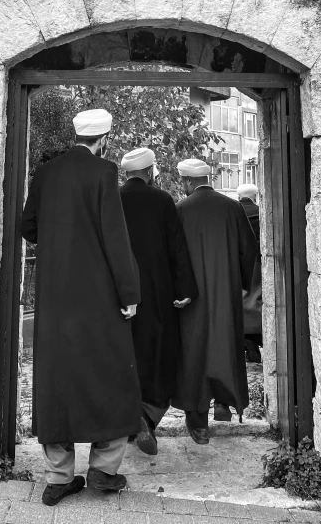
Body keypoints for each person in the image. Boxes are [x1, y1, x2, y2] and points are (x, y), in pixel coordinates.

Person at [22, 108, 141, 506]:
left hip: (55, 298)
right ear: (103, 139)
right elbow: (115, 238)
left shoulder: (46, 174)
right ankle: (104, 472)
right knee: (111, 376)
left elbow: (28, 227)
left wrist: (57, 242)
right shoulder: (104, 173)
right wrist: (129, 294)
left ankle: (58, 478)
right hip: (98, 298)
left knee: (57, 378)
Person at [173, 158, 258, 444]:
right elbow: (249, 252)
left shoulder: (181, 210)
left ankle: (197, 422)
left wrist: (176, 290)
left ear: (186, 181)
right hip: (226, 292)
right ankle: (223, 403)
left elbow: (172, 255)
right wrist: (241, 285)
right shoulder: (232, 207)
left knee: (193, 351)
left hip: (191, 295)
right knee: (224, 345)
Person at [119, 147, 198, 456]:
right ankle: (147, 416)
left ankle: (129, 417)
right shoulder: (163, 200)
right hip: (157, 293)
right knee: (161, 355)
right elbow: (176, 248)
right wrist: (185, 289)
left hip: (120, 293)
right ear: (151, 171)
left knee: (126, 353)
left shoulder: (112, 198)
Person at [237, 183, 263, 364]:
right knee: (258, 300)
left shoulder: (234, 213)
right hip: (260, 263)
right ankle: (257, 338)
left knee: (242, 300)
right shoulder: (262, 212)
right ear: (255, 196)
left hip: (240, 264)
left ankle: (246, 339)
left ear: (239, 197)